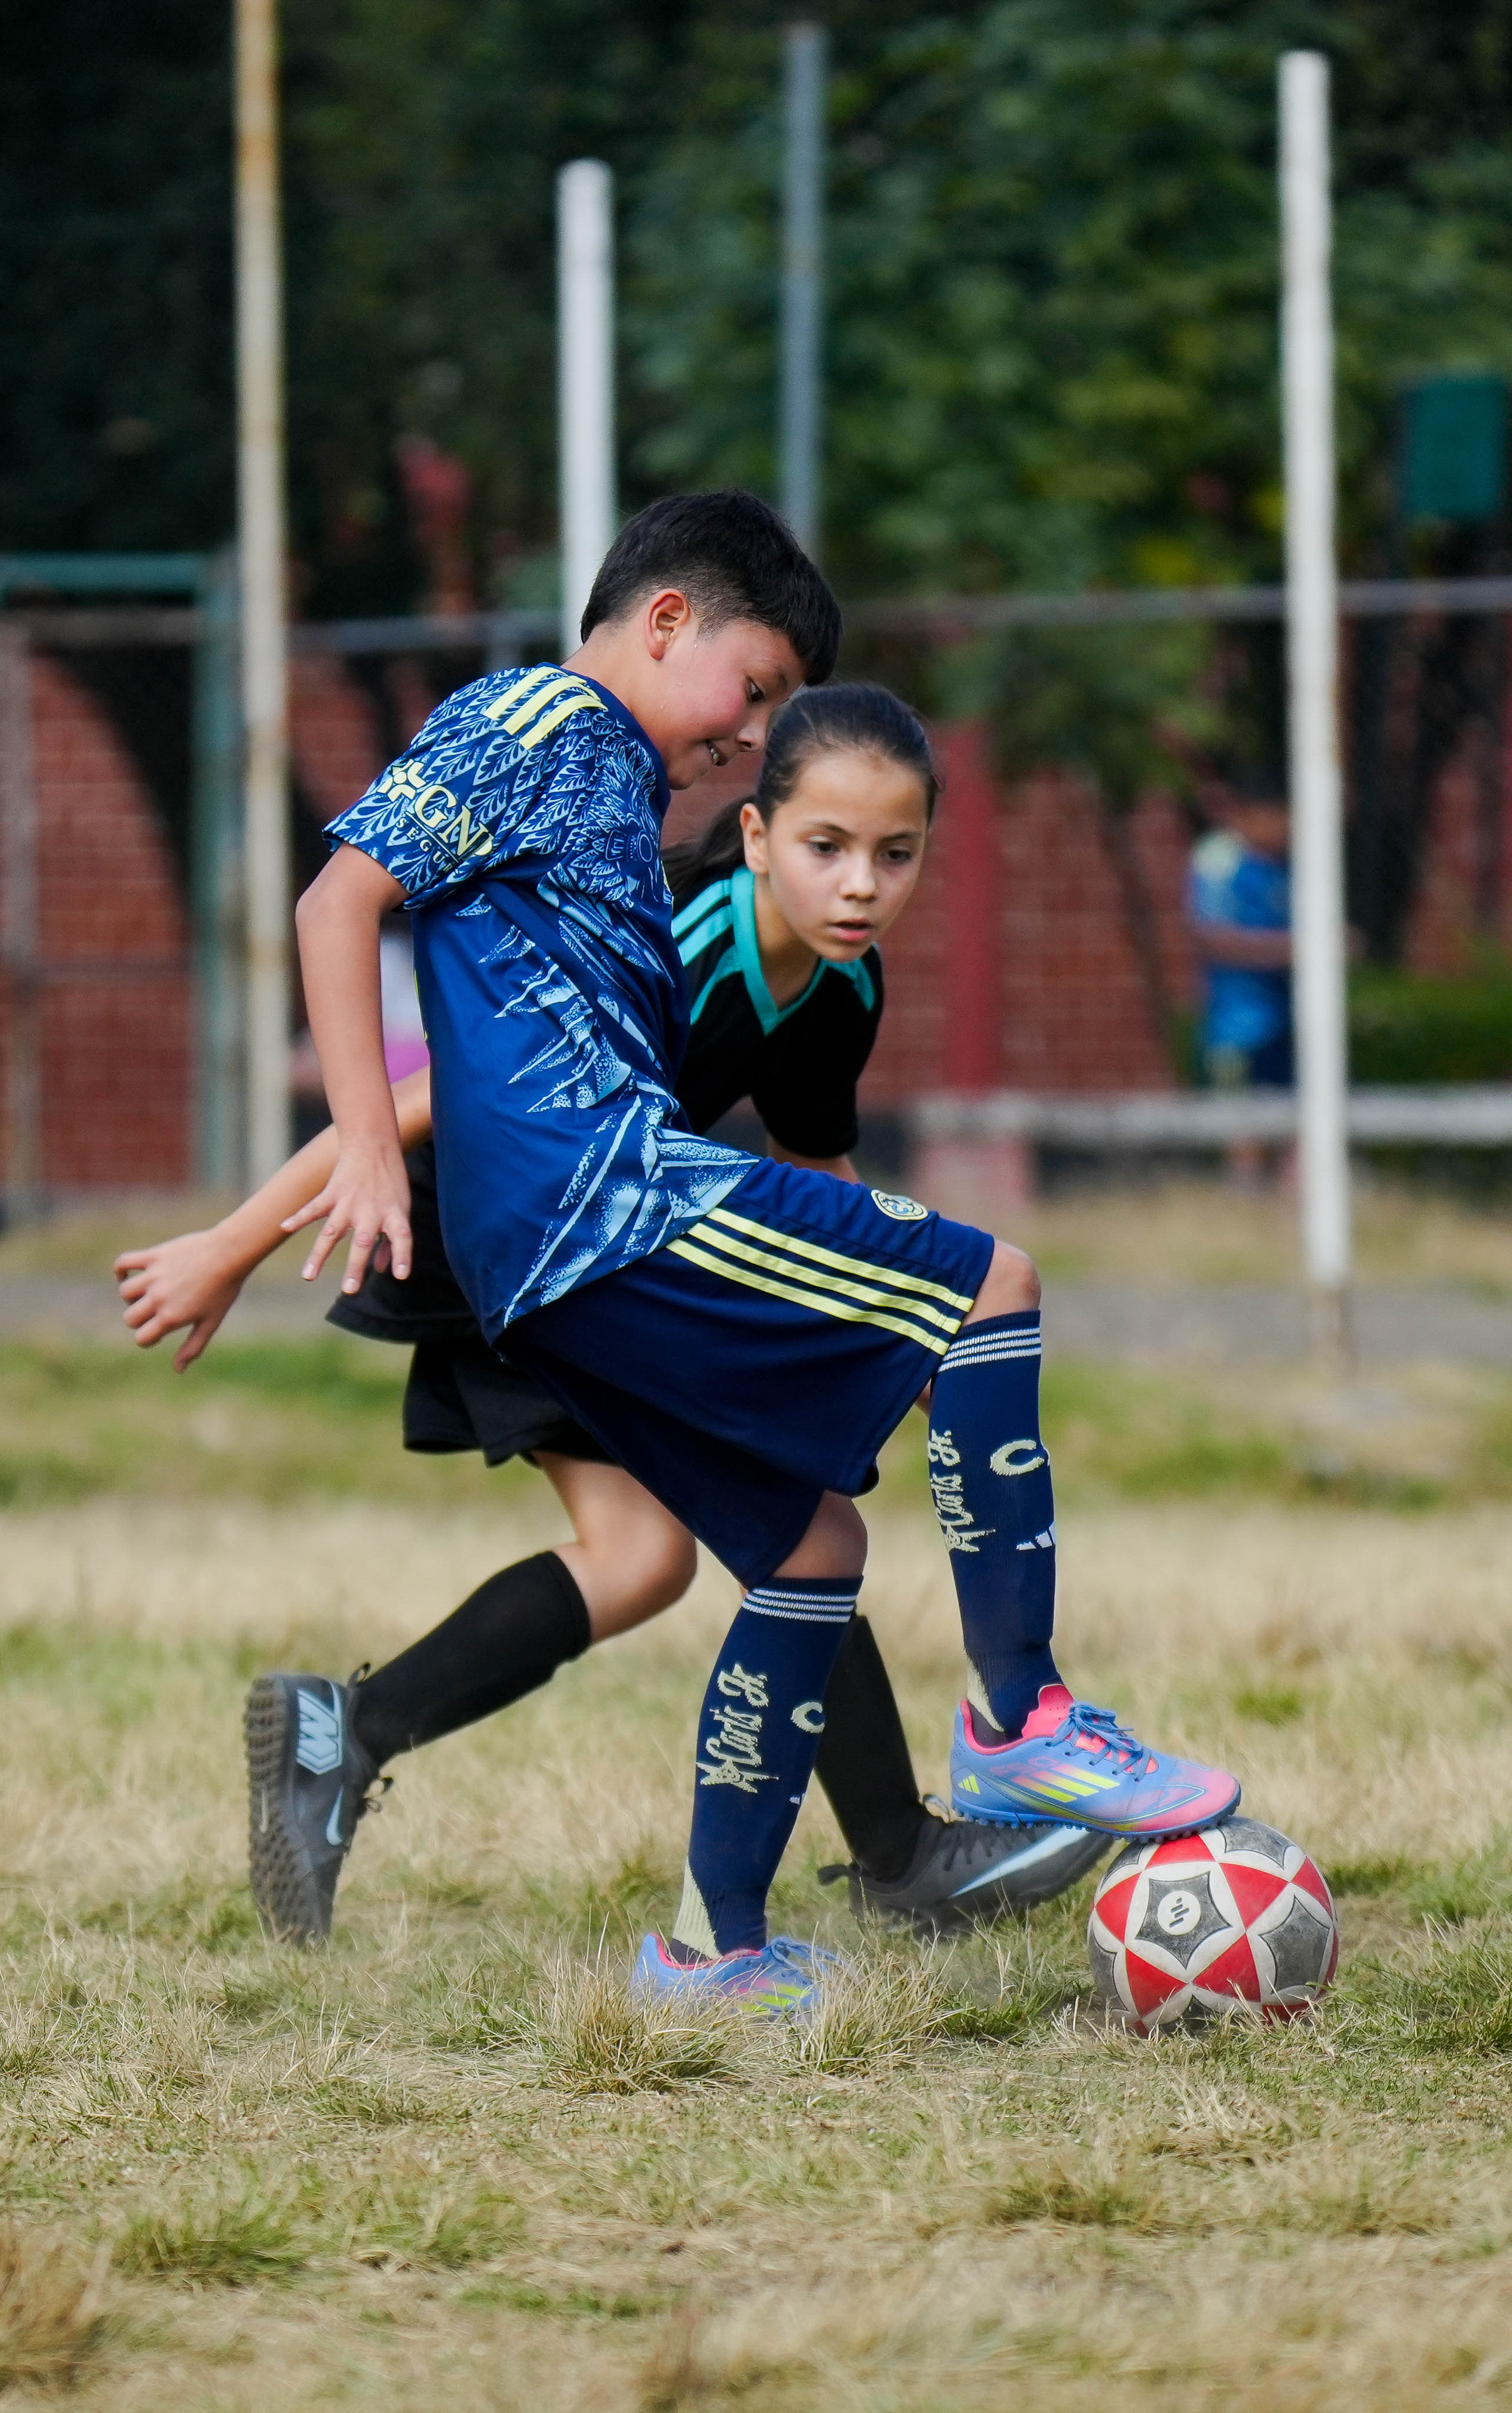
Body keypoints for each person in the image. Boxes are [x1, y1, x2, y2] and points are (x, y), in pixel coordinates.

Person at [287, 490, 1241, 2013]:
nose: (754, 730)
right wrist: (343, 1147)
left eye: (891, 850)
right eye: (758, 693)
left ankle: (707, 1951)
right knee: (991, 1280)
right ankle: (1023, 1719)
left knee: (808, 1550)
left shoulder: (613, 789)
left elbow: (798, 1154)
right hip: (602, 1201)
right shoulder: (544, 713)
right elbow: (340, 900)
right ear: (667, 622)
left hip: (561, 1249)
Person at [116, 681, 1111, 1943]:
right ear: (756, 834)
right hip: (500, 1236)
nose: (860, 883)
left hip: (613, 1243)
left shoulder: (842, 986)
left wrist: (913, 1323)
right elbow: (427, 1098)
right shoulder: (686, 942)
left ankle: (343, 1735)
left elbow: (813, 1166)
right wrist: (234, 1240)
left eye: (893, 854)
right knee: (781, 1511)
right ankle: (900, 1852)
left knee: (647, 1559)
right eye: (827, 846)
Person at [1188, 774, 1293, 1183]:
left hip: (1287, 1016)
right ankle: (1244, 1199)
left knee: (1294, 1121)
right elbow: (1212, 938)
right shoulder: (1219, 860)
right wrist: (1298, 948)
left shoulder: (1288, 861)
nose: (1283, 830)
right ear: (1248, 817)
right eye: (1276, 819)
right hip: (1236, 1023)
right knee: (1242, 1126)